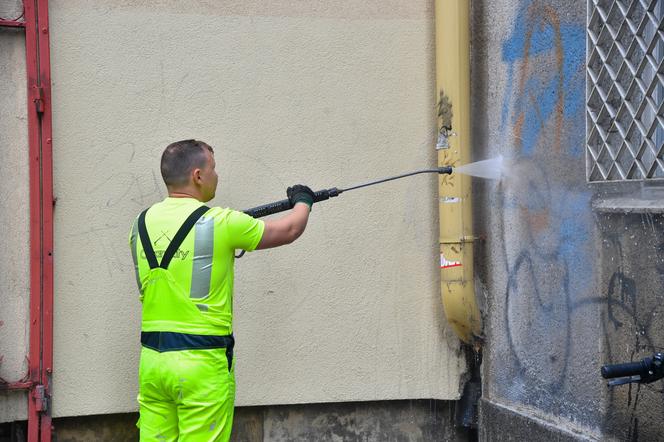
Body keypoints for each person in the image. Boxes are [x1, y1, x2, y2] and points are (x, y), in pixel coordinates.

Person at [128, 139, 314, 441]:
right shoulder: (221, 222)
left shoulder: (140, 224)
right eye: (213, 168)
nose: (218, 175)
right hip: (202, 362)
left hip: (152, 362)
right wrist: (304, 200)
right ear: (197, 176)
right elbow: (290, 229)